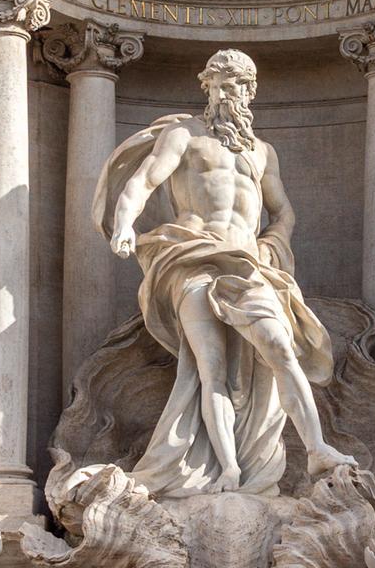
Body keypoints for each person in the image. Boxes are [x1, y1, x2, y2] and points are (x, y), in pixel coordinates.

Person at [96, 49, 345, 497]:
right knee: (211, 371)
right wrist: (124, 225)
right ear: (206, 86)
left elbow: (283, 210)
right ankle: (229, 470)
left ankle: (318, 449)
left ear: (251, 92)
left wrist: (273, 244)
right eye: (221, 82)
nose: (230, 90)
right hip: (192, 256)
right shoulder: (183, 135)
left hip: (248, 264)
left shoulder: (262, 152)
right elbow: (146, 180)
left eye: (239, 84)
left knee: (279, 345)